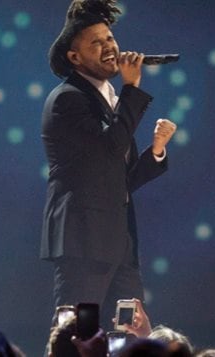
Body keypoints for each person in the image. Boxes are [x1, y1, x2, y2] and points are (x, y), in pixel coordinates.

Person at [40, 0, 177, 324]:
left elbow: (120, 177)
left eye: (110, 39)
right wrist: (131, 88)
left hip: (118, 242)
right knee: (80, 331)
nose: (109, 47)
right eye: (96, 43)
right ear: (75, 57)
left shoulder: (107, 99)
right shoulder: (68, 99)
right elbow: (109, 149)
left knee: (130, 330)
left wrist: (156, 151)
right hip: (84, 241)